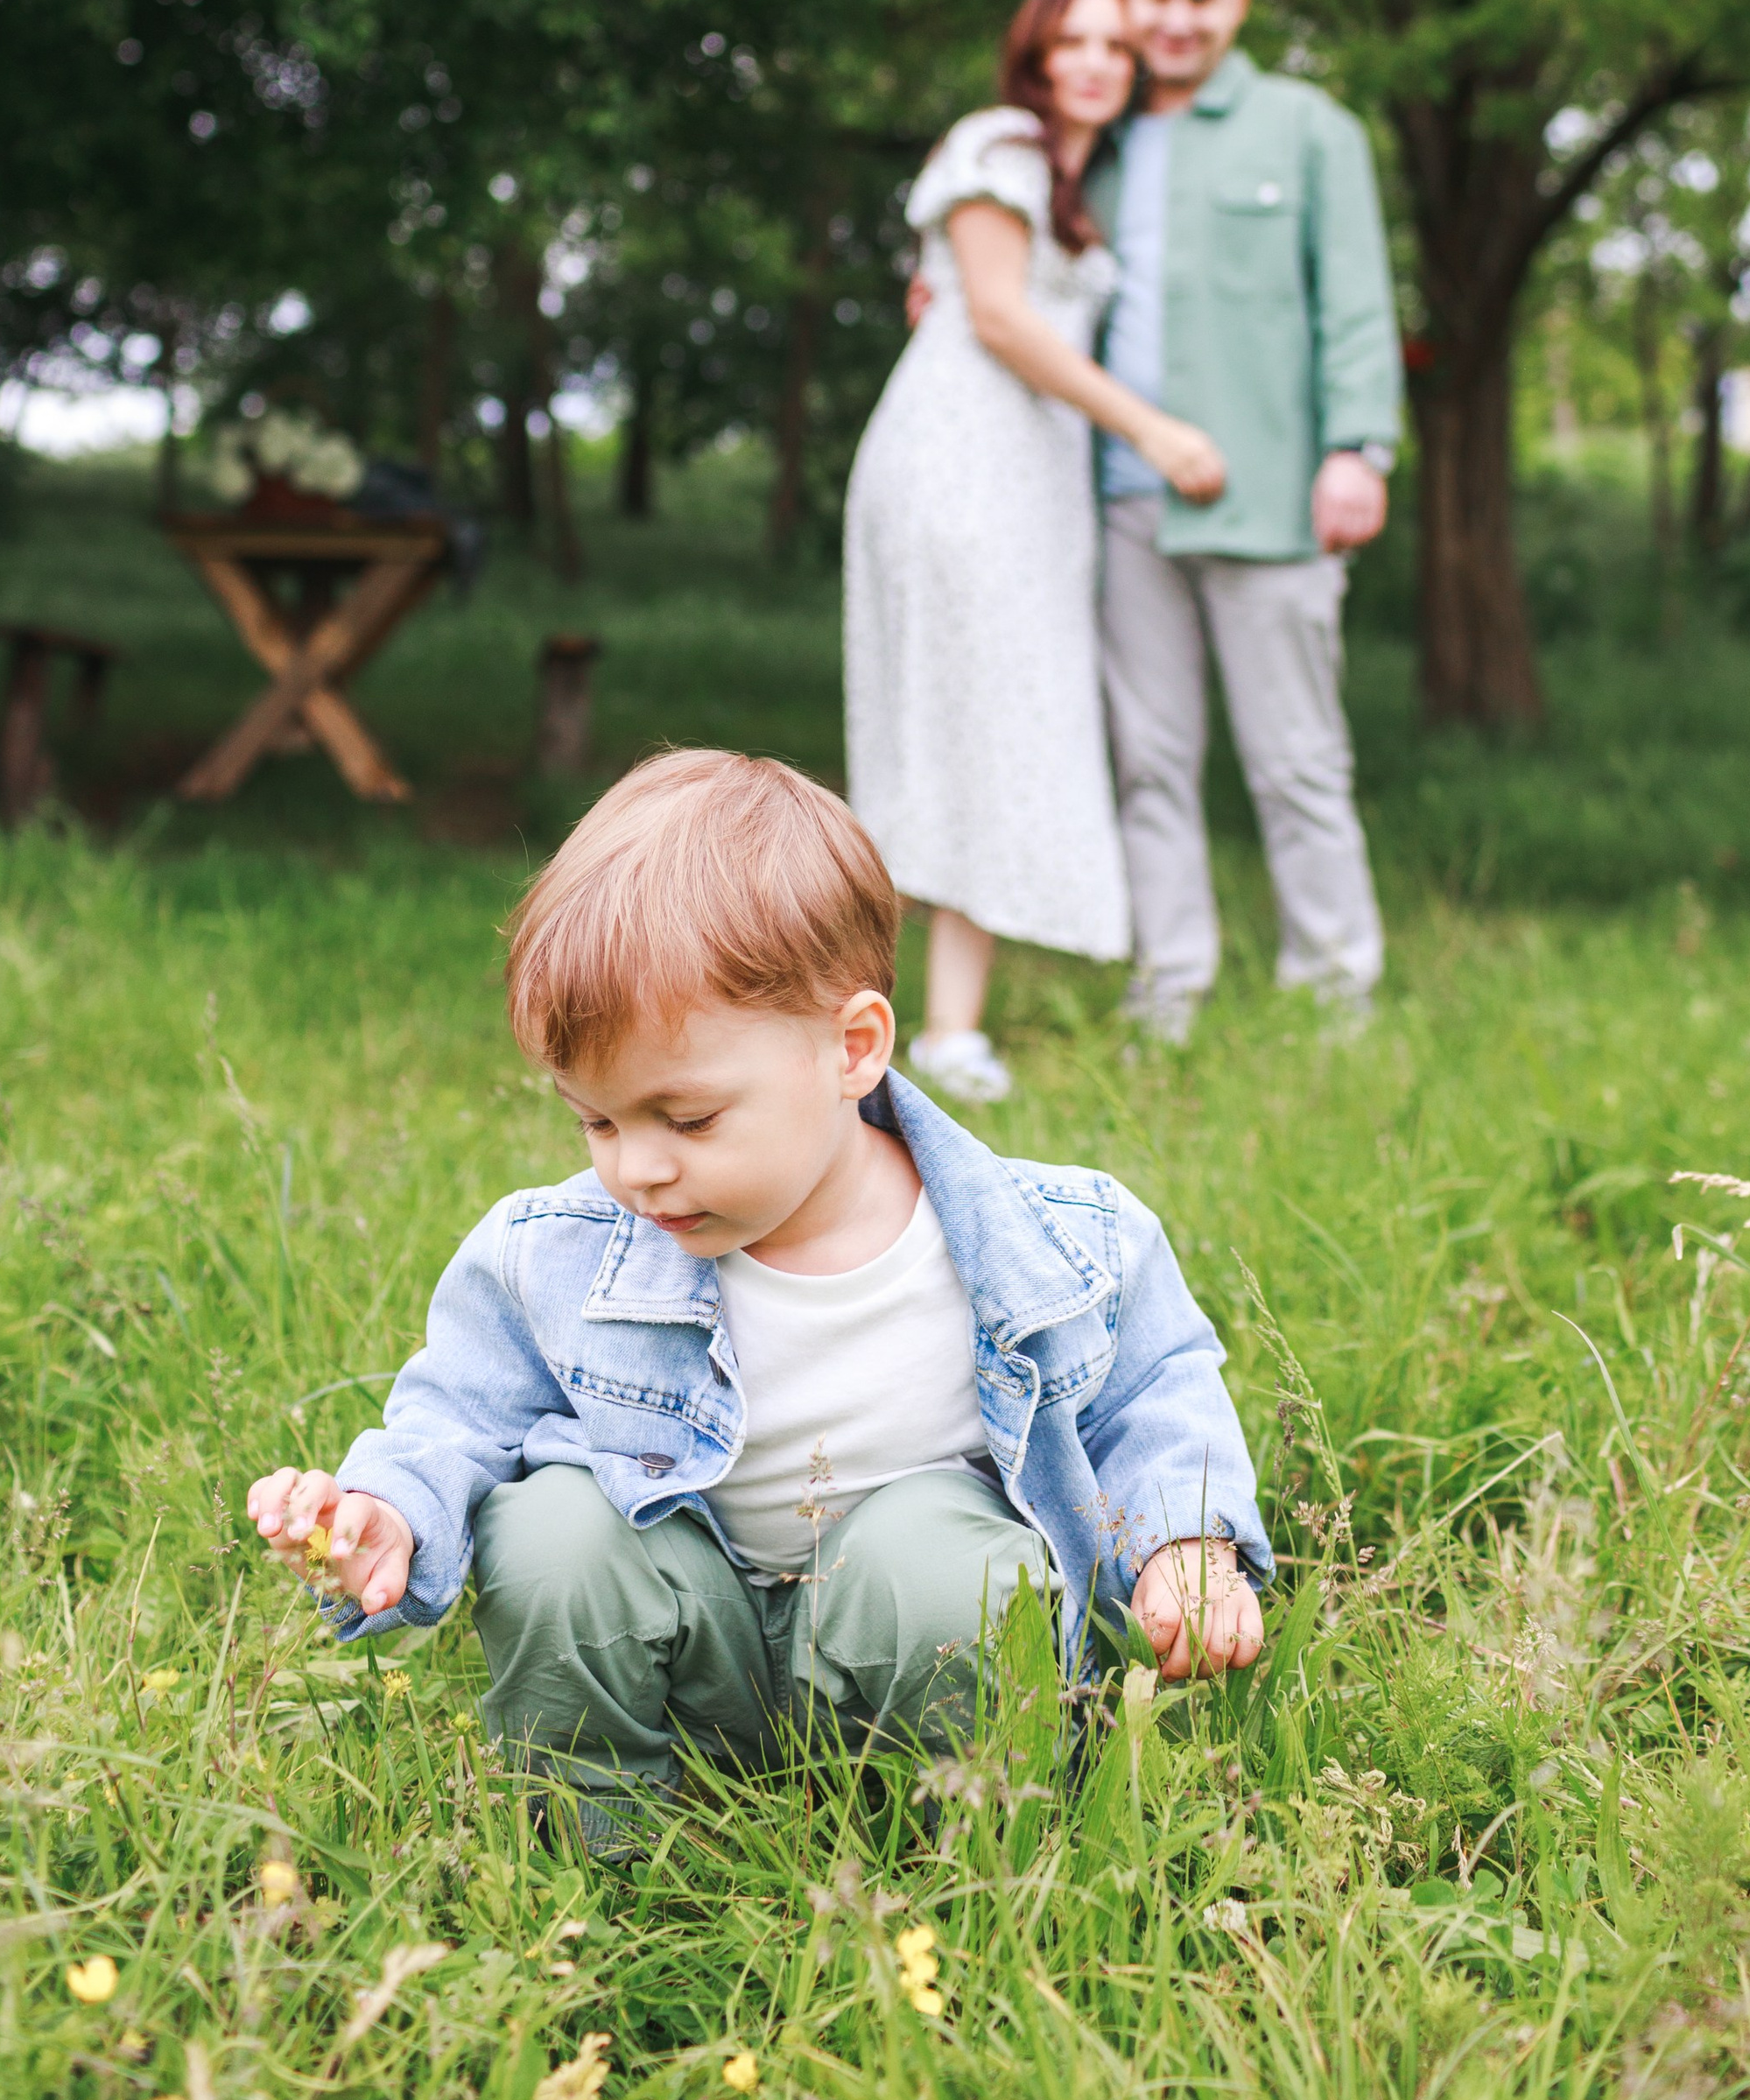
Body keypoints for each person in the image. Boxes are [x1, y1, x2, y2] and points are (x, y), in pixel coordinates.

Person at [243, 751, 1268, 1847]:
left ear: (852, 1048)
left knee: (947, 1559)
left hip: (901, 1638)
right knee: (547, 1529)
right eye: (596, 1121)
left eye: (686, 1121)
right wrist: (387, 1511)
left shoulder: (1056, 1243)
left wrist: (1184, 1547)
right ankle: (590, 1860)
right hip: (690, 1649)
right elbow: (456, 1415)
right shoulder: (558, 1254)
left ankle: (977, 1857)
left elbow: (1154, 1399)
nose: (635, 1170)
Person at [842, 0, 1226, 1106]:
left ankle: (943, 1026)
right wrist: (1153, 430)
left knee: (994, 731)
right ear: (1037, 57)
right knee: (944, 723)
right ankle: (880, 1015)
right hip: (960, 460)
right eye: (1076, 43)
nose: (1101, 62)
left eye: (1117, 45)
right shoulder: (999, 145)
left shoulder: (1069, 175)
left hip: (1034, 478)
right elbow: (1000, 319)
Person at [1088, 0, 1402, 1043]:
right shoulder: (1096, 134)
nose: (1175, 20)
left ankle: (1336, 995)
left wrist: (1357, 449)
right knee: (1150, 765)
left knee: (1298, 763)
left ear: (1240, 3)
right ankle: (1168, 992)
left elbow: (1357, 303)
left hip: (1274, 502)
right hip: (1122, 505)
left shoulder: (1309, 128)